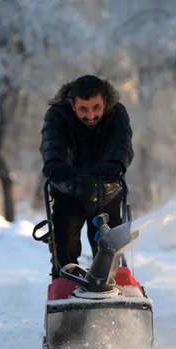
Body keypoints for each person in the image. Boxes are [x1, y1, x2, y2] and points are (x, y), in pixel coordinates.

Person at [39, 75, 134, 278]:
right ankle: (65, 284)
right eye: (83, 109)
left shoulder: (117, 114)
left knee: (109, 250)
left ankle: (110, 286)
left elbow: (122, 144)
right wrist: (54, 164)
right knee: (64, 246)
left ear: (105, 102)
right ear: (72, 104)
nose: (90, 115)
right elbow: (51, 142)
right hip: (68, 190)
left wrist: (115, 164)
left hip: (106, 191)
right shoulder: (57, 115)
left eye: (96, 108)